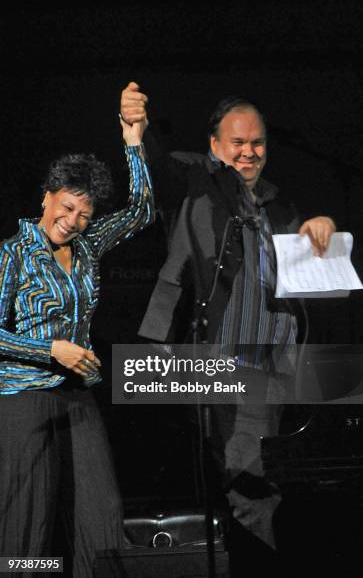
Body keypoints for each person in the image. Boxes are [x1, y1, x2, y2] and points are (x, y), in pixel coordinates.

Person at [120, 82, 336, 553]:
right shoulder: (201, 181)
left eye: (257, 142)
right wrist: (137, 131)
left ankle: (259, 554)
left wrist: (318, 229)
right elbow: (160, 170)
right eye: (237, 142)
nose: (248, 152)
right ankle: (257, 557)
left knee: (252, 475)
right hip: (216, 353)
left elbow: (307, 267)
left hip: (272, 357)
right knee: (239, 474)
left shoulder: (278, 203)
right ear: (216, 146)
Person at [0, 97, 154, 577]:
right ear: (47, 197)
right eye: (67, 207)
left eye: (85, 214)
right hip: (23, 397)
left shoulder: (88, 245)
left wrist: (133, 141)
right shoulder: (13, 255)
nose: (73, 220)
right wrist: (50, 349)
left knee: (101, 517)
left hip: (78, 400)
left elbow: (142, 211)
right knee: (28, 526)